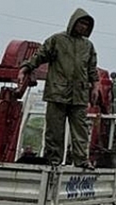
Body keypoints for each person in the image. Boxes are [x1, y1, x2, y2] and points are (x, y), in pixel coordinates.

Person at [17, 8, 100, 169]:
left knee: (81, 130)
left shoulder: (88, 46)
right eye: (81, 23)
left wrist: (95, 86)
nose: (83, 27)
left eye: (86, 25)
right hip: (57, 92)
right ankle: (53, 161)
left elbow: (92, 69)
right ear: (73, 22)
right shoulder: (57, 40)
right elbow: (40, 55)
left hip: (79, 95)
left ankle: (82, 160)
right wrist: (25, 68)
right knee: (54, 130)